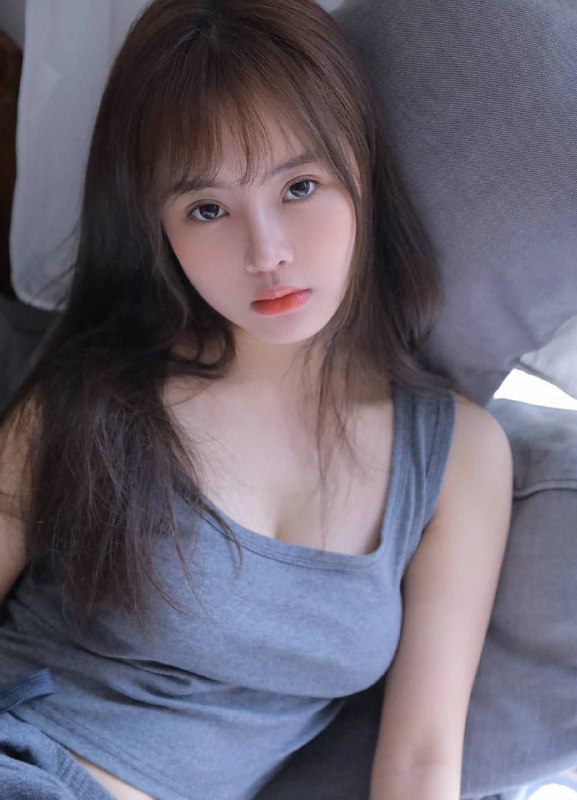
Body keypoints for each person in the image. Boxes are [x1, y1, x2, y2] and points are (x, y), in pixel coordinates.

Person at [0, 0, 513, 798]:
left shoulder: (456, 459)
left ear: (364, 175)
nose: (266, 253)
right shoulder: (88, 396)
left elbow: (421, 761)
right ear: (157, 229)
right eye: (207, 209)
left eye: (300, 186)